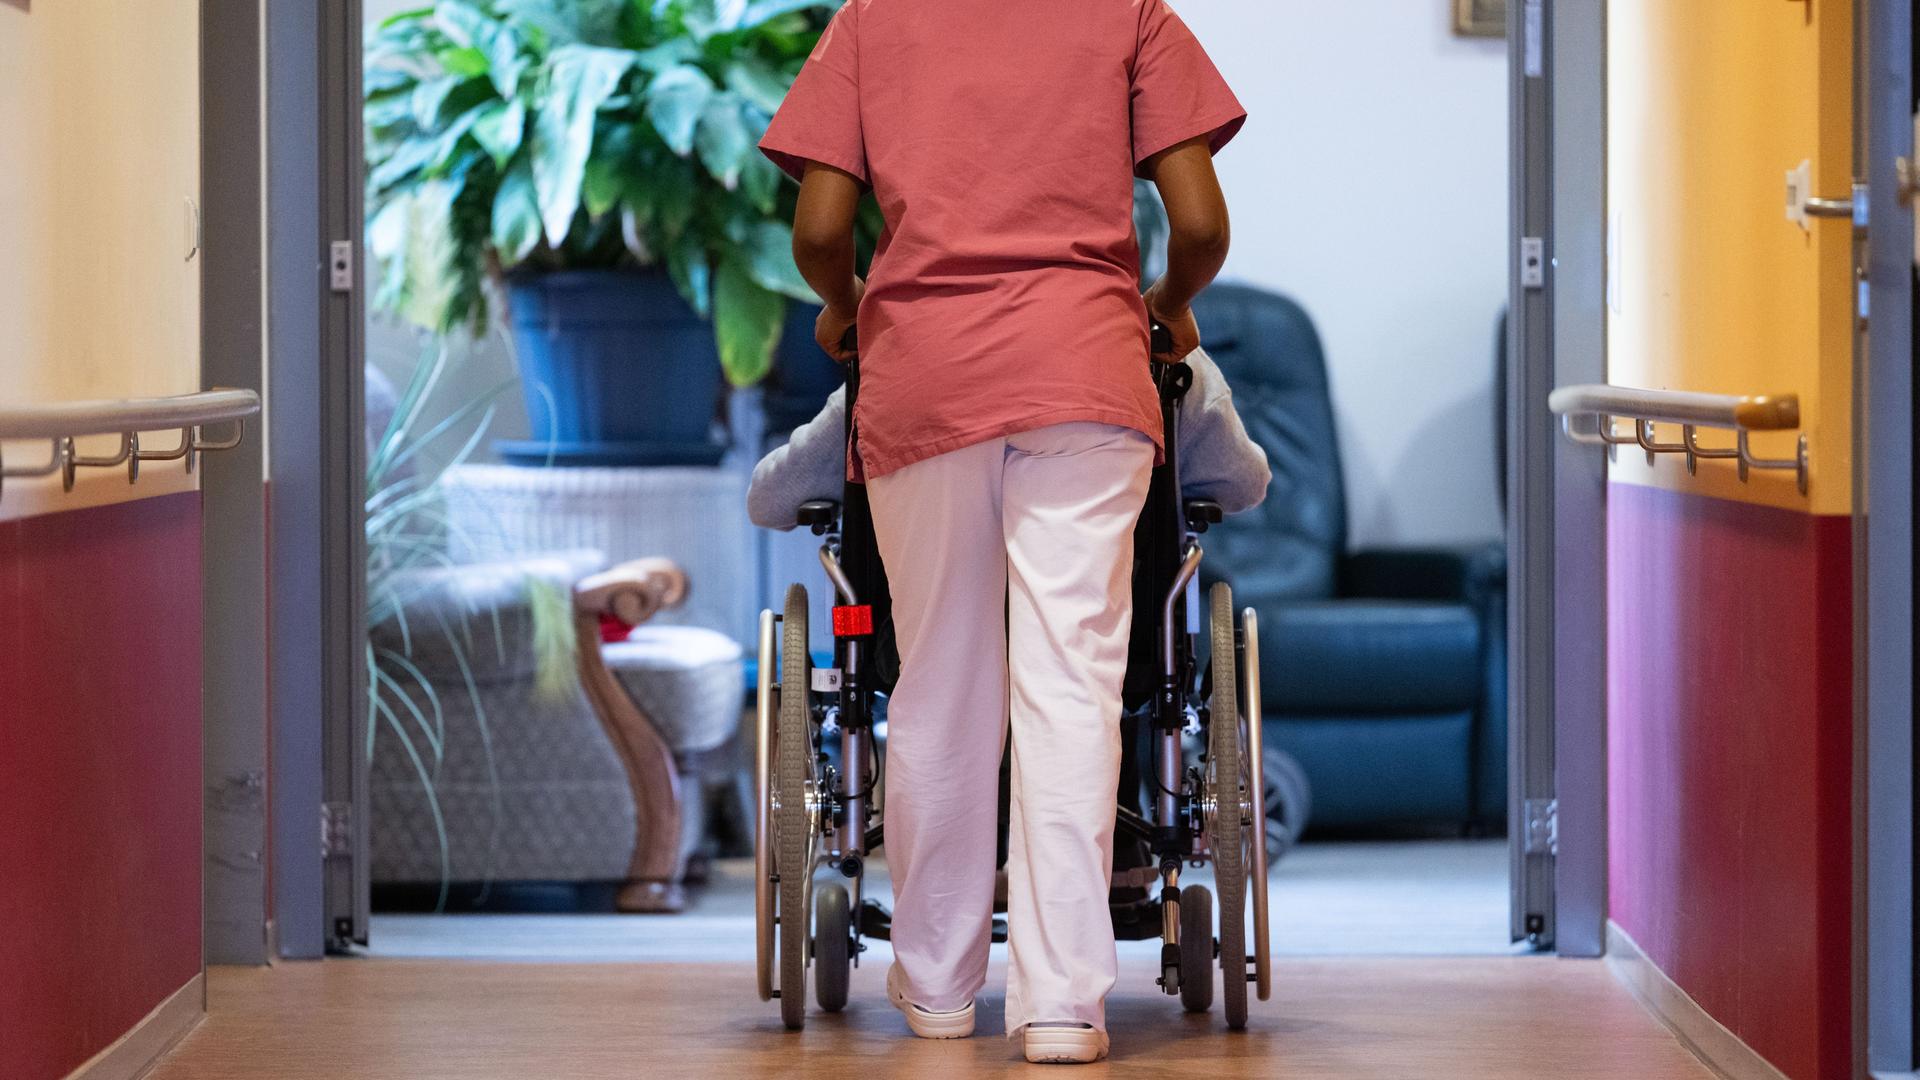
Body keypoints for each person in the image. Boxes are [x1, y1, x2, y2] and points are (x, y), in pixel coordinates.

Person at [758, 0, 1243, 1064]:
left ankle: (934, 987)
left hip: (925, 377)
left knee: (939, 680)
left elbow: (822, 231)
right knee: (1073, 685)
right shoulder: (1131, 14)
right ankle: (1063, 1004)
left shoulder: (872, 22)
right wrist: (1163, 301)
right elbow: (1202, 226)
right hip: (1085, 375)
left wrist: (848, 309)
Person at [747, 348, 1269, 532]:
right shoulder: (1174, 363)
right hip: (1125, 635)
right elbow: (1244, 483)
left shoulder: (906, 360)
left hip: (913, 636)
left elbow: (772, 500)